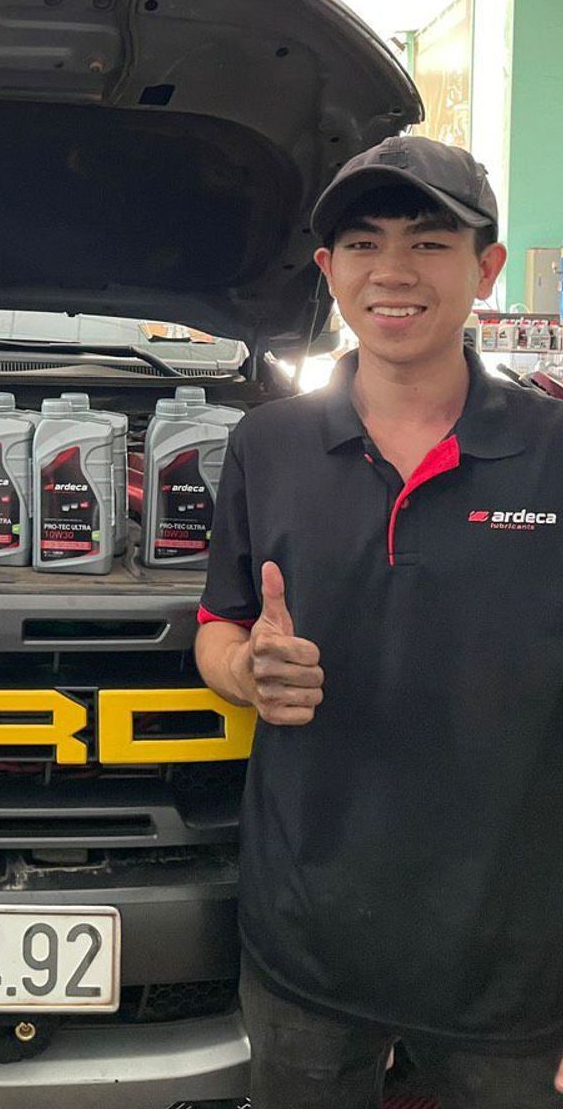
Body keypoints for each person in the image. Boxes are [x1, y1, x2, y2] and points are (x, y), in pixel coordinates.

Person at [194, 136, 563, 1109]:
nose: (392, 271)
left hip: (511, 950)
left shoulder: (552, 449)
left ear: (486, 267)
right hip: (309, 938)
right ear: (328, 269)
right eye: (363, 243)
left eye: (429, 242)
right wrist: (248, 672)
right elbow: (220, 626)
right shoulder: (268, 442)